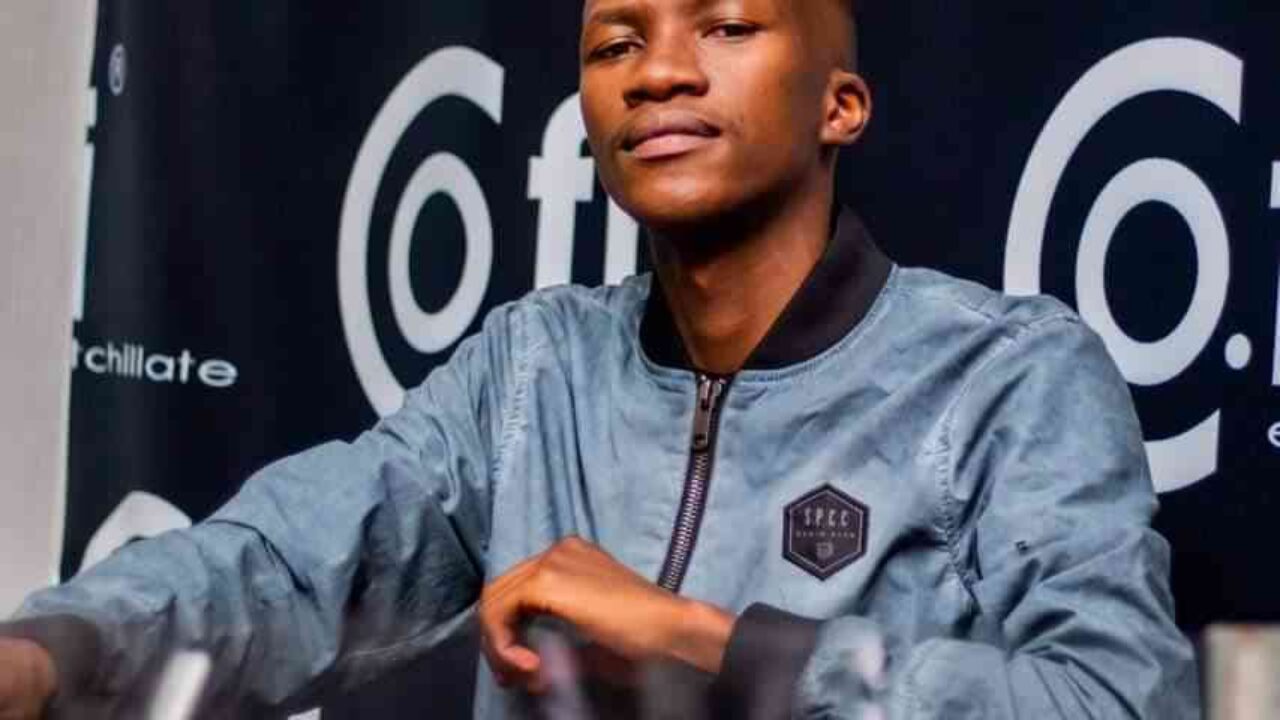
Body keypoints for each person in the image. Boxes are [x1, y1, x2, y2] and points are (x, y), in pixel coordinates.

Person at [0, 0, 1199, 717]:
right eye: (613, 42)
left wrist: (706, 645)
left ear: (839, 105)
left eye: (726, 27)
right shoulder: (534, 366)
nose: (657, 71)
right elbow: (286, 564)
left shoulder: (1006, 376)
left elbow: (1116, 701)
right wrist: (47, 656)